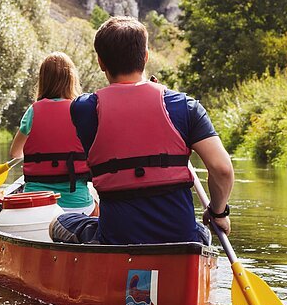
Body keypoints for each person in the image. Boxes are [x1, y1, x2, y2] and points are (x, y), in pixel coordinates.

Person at [50, 17, 234, 245]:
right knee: (201, 232)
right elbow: (222, 169)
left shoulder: (83, 109)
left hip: (116, 239)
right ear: (145, 57)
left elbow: (112, 109)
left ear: (100, 62)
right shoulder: (185, 106)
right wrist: (218, 213)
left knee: (59, 222)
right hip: (179, 240)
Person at [10, 52, 97, 215]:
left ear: (43, 81)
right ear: (72, 79)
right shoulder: (81, 111)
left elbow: (15, 153)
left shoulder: (33, 111)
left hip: (35, 204)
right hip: (77, 205)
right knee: (99, 208)